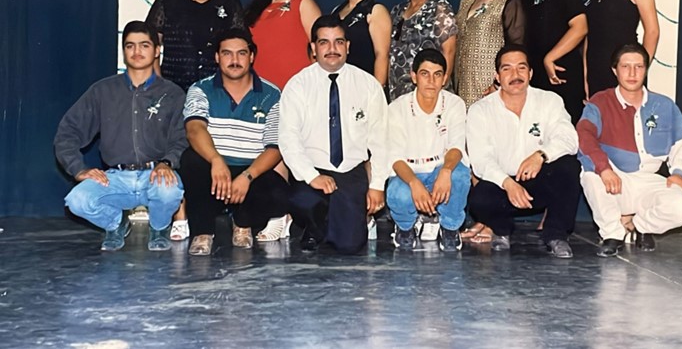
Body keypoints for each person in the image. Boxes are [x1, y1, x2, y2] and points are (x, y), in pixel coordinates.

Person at [55, 21, 186, 251]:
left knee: (170, 190)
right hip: (116, 178)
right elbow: (67, 133)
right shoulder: (102, 91)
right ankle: (116, 224)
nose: (137, 52)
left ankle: (159, 226)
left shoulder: (172, 93)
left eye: (144, 45)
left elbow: (182, 137)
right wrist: (78, 169)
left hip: (155, 175)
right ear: (123, 50)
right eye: (130, 46)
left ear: (157, 51)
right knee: (76, 201)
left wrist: (168, 162)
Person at [146, 0, 243, 240]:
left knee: (219, 150)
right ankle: (182, 213)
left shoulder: (228, 1)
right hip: (176, 87)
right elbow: (152, 42)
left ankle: (234, 214)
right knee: (177, 150)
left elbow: (240, 45)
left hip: (215, 91)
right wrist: (159, 84)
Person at [279, 15, 389, 254]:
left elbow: (381, 140)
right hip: (312, 167)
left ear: (348, 47)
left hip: (350, 170)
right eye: (324, 42)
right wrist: (311, 176)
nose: (332, 49)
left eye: (338, 42)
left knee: (349, 246)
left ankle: (338, 222)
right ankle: (314, 226)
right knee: (304, 200)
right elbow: (288, 139)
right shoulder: (297, 85)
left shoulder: (368, 85)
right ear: (313, 48)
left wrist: (378, 185)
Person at [577, 43, 682, 257]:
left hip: (649, 180)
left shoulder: (664, 105)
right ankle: (612, 235)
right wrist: (604, 168)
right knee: (591, 176)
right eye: (625, 66)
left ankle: (640, 226)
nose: (632, 73)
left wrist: (679, 174)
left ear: (646, 69)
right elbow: (584, 136)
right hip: (614, 178)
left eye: (639, 67)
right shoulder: (600, 101)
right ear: (615, 70)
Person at [181, 28, 289, 256]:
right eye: (227, 54)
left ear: (251, 56)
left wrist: (247, 176)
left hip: (250, 169)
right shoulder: (201, 89)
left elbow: (275, 147)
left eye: (241, 54)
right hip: (214, 168)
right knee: (191, 160)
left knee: (280, 193)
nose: (234, 60)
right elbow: (194, 129)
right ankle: (203, 231)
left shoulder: (272, 94)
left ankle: (242, 222)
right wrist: (216, 160)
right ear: (217, 57)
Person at [466, 44, 581, 258]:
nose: (515, 75)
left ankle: (556, 235)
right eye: (507, 69)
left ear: (530, 73)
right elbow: (481, 161)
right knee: (479, 198)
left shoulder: (550, 101)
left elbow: (570, 139)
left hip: (540, 180)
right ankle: (501, 231)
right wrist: (508, 183)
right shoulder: (480, 110)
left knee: (569, 166)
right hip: (504, 186)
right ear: (497, 76)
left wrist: (541, 155)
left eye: (521, 68)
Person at [385, 49, 470, 251]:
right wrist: (414, 183)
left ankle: (449, 227)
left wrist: (446, 171)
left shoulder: (455, 103)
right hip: (409, 172)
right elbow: (396, 159)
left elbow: (456, 147)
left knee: (459, 176)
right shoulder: (397, 108)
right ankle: (406, 227)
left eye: (437, 74)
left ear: (445, 78)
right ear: (414, 76)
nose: (431, 81)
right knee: (398, 193)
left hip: (439, 169)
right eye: (424, 74)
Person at [146, 0, 244, 92]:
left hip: (217, 90)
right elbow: (150, 42)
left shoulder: (229, 2)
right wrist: (158, 82)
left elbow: (241, 45)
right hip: (173, 89)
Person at [515, 0, 587, 124]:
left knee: (562, 130)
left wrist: (550, 58)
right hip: (535, 74)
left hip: (560, 71)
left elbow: (580, 27)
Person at [455, 0, 525, 108]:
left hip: (491, 90)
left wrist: (498, 85)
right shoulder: (465, 2)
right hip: (462, 90)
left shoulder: (509, 0)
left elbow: (517, 48)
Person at [245, 0, 322, 90]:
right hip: (261, 92)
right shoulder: (255, 9)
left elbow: (320, 48)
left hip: (296, 90)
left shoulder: (302, 2)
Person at [388, 0, 458, 101]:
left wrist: (441, 87)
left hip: (430, 93)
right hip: (399, 94)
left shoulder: (440, 8)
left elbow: (449, 51)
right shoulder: (396, 11)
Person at [331, 0, 392, 88]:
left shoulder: (376, 11)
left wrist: (376, 94)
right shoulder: (335, 11)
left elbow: (382, 55)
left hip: (365, 89)